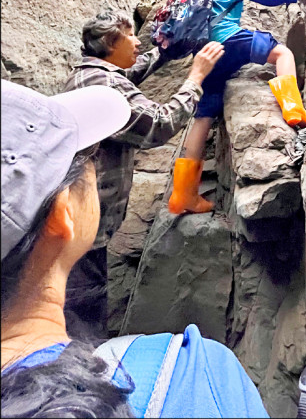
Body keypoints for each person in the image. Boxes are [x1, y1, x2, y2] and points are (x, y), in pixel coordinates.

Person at [0, 80, 269, 418]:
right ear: (61, 213)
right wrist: (194, 80)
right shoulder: (196, 373)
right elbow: (158, 124)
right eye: (85, 156)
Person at [62, 11, 224, 336]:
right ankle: (83, 374)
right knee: (85, 314)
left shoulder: (87, 75)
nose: (139, 41)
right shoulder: (107, 86)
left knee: (78, 301)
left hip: (74, 219)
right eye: (131, 36)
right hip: (84, 228)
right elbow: (159, 125)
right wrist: (195, 77)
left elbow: (127, 75)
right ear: (111, 43)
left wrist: (163, 52)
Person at [168, 0, 306, 215]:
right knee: (282, 53)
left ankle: (184, 194)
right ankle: (294, 111)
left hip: (206, 53)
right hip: (229, 41)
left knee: (203, 116)